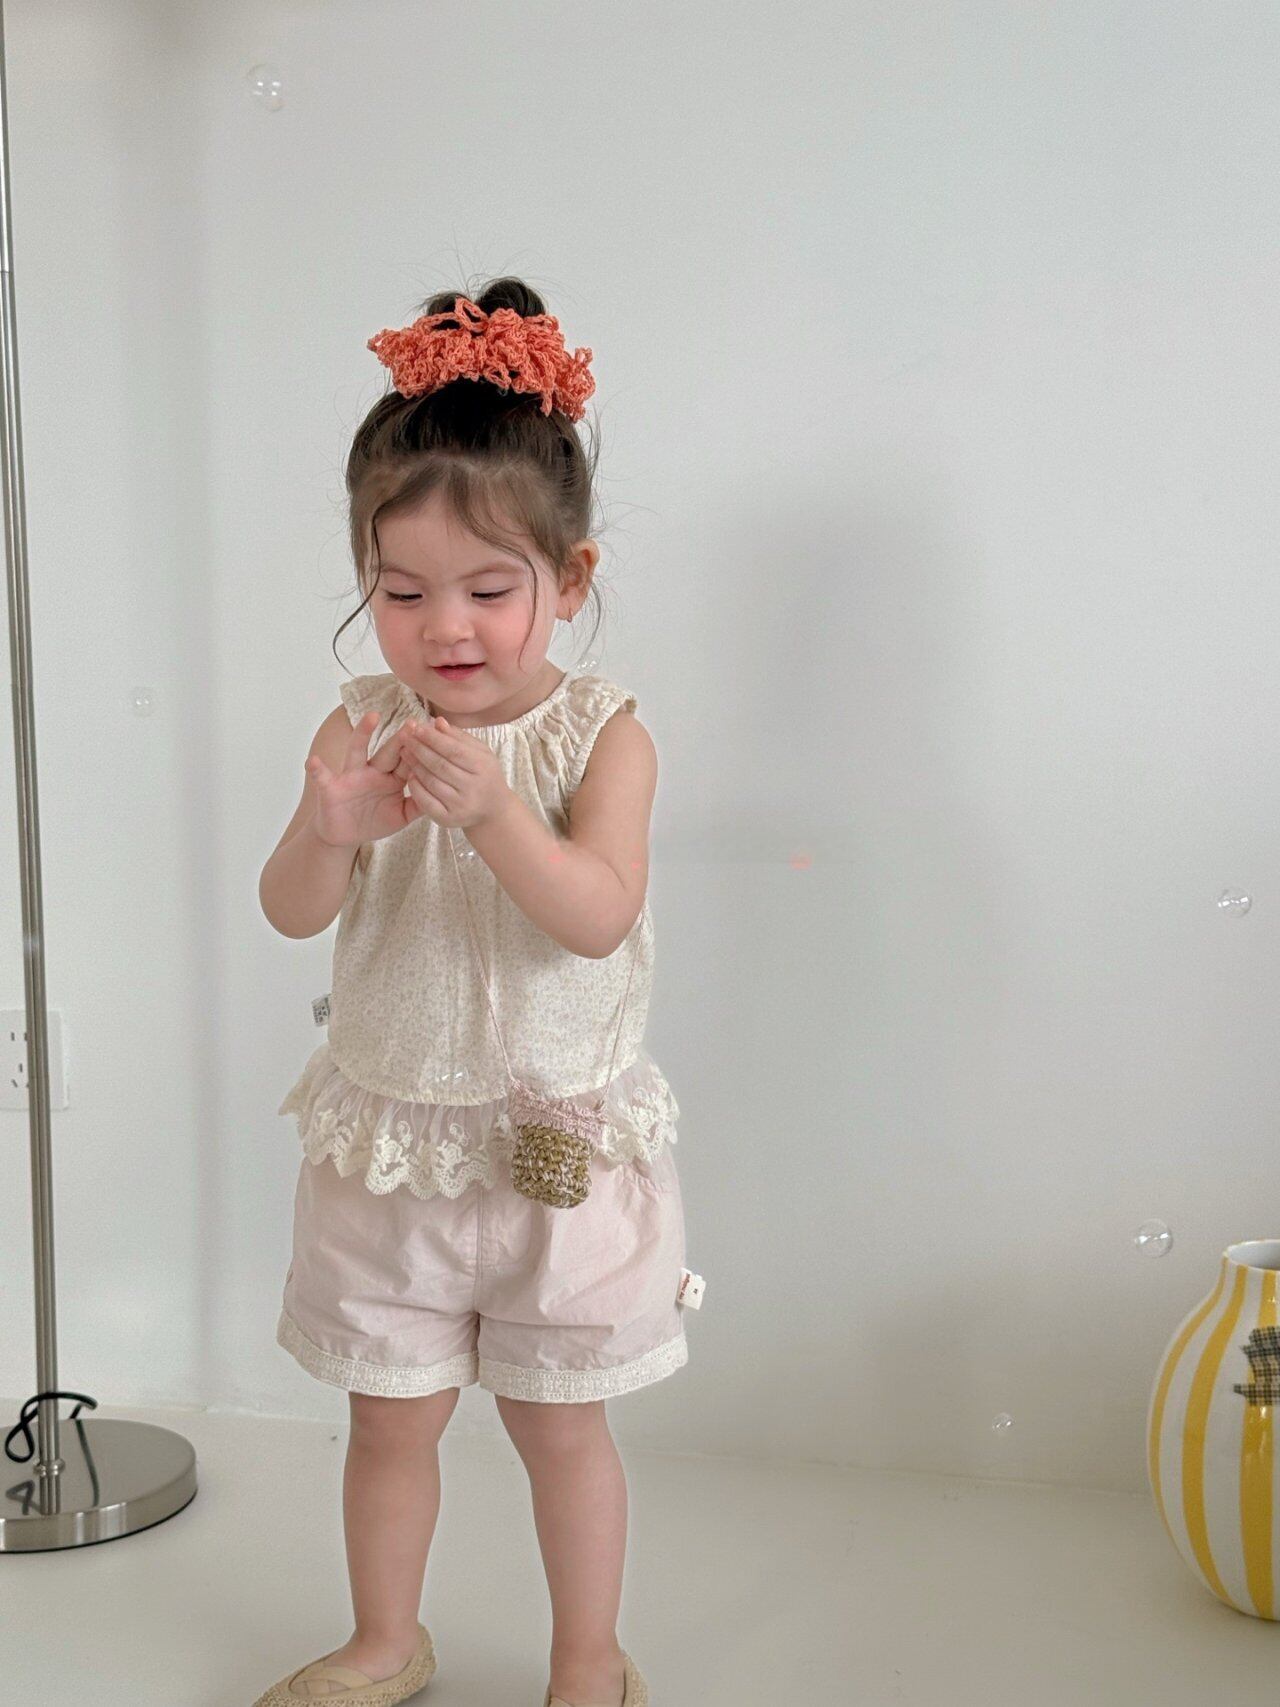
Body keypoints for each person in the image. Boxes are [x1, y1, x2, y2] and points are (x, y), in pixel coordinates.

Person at [253, 278, 689, 1707]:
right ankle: (388, 1640)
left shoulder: (601, 737)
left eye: (490, 590)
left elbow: (596, 916)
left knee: (562, 1430)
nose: (446, 626)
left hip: (553, 1145)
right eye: (401, 592)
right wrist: (332, 832)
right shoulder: (362, 726)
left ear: (569, 577)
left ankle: (589, 1660)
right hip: (394, 1144)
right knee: (392, 1421)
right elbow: (289, 909)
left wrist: (497, 813)